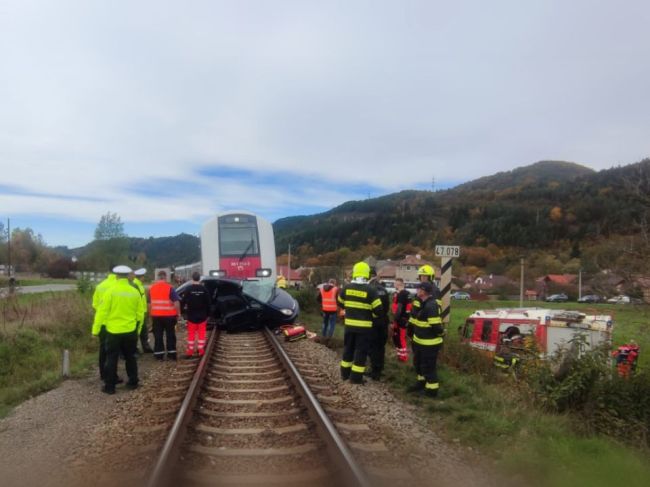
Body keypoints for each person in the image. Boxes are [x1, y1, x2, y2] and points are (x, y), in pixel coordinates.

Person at [93, 265, 144, 394]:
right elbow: (140, 314)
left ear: (116, 276)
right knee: (130, 357)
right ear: (128, 276)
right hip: (130, 330)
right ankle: (133, 382)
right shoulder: (134, 292)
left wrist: (96, 330)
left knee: (111, 358)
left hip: (113, 332)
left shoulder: (110, 291)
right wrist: (137, 330)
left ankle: (110, 387)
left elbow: (101, 312)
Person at [338, 262, 383, 384]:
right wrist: (371, 315)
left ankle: (345, 374)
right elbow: (378, 310)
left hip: (349, 326)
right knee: (360, 351)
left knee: (348, 349)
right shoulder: (371, 290)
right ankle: (356, 378)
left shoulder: (347, 288)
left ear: (354, 273)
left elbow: (340, 302)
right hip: (364, 328)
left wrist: (350, 309)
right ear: (367, 274)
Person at [408, 281, 443, 397]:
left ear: (423, 291)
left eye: (418, 289)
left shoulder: (431, 305)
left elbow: (436, 326)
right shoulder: (423, 303)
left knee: (428, 368)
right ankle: (421, 384)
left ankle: (431, 391)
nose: (416, 291)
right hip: (419, 341)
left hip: (429, 344)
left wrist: (442, 334)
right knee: (419, 365)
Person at [92, 269, 117, 382]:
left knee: (103, 350)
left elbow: (95, 304)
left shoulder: (100, 286)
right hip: (114, 324)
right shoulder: (117, 286)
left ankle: (103, 374)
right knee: (113, 352)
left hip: (102, 323)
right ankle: (112, 376)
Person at [149, 270, 181, 361]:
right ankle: (171, 354)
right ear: (166, 278)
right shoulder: (170, 288)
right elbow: (176, 302)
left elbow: (149, 303)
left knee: (158, 335)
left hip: (156, 316)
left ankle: (159, 355)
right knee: (170, 334)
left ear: (157, 278)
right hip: (169, 316)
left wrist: (150, 314)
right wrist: (178, 314)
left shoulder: (152, 288)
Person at [181, 271, 212, 358]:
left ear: (192, 278)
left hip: (191, 316)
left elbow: (182, 302)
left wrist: (182, 312)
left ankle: (190, 352)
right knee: (201, 334)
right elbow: (209, 303)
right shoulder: (204, 289)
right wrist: (208, 314)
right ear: (199, 279)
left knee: (191, 334)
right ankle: (201, 351)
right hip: (202, 316)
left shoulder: (188, 289)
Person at [368, 269, 390, 380]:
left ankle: (374, 371)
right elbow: (387, 307)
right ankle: (379, 369)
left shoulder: (369, 289)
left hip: (372, 322)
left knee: (372, 347)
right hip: (383, 321)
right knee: (381, 347)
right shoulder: (384, 290)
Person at [132, 268, 153, 353]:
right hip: (138, 312)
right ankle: (136, 348)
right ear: (141, 277)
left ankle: (145, 347)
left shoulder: (139, 284)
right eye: (143, 276)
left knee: (144, 331)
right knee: (138, 331)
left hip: (142, 311)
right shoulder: (135, 285)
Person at [391, 278, 411, 362]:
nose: (394, 285)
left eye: (395, 283)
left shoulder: (401, 294)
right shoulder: (407, 293)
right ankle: (400, 355)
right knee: (398, 338)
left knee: (400, 338)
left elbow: (399, 308)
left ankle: (403, 357)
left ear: (399, 284)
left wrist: (395, 320)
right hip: (404, 319)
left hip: (400, 320)